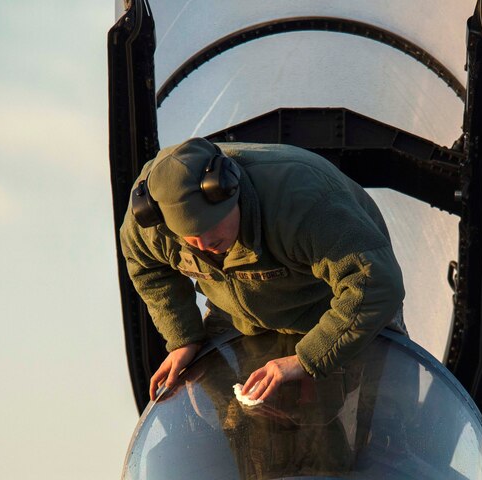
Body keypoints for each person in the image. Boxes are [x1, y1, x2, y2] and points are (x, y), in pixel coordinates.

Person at [119, 138, 406, 403]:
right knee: (230, 426)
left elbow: (375, 285)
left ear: (230, 188)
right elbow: (146, 267)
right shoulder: (151, 219)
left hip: (335, 311)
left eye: (211, 227)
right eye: (190, 238)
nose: (204, 244)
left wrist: (308, 359)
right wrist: (183, 337)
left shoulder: (302, 201)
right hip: (236, 318)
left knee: (383, 424)